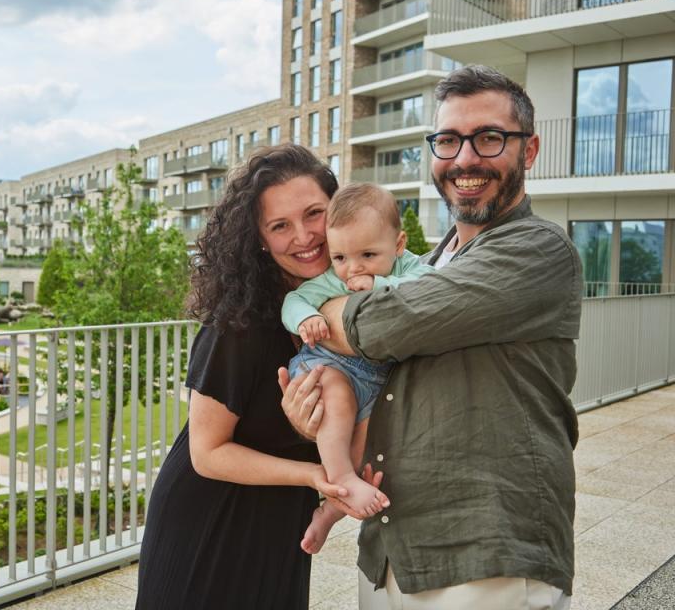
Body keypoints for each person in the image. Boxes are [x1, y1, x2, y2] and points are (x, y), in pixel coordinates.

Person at [281, 65, 582, 609]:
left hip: (485, 559)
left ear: (529, 150)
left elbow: (381, 325)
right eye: (448, 140)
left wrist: (321, 306)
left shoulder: (535, 250)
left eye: (489, 138)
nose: (465, 158)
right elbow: (381, 372)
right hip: (392, 549)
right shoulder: (432, 260)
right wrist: (317, 412)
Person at [135, 144, 364, 609]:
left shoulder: (351, 305)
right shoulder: (239, 322)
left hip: (280, 525)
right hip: (210, 524)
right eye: (280, 225)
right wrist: (315, 475)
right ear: (259, 238)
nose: (304, 236)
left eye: (314, 214)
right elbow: (207, 452)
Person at [281, 184, 432, 553]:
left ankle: (331, 510)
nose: (352, 269)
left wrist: (379, 284)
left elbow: (427, 288)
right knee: (336, 396)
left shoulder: (410, 266)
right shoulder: (336, 277)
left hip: (374, 379)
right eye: (340, 257)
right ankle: (341, 476)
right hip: (329, 366)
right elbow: (295, 299)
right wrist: (308, 318)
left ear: (398, 245)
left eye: (367, 254)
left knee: (366, 441)